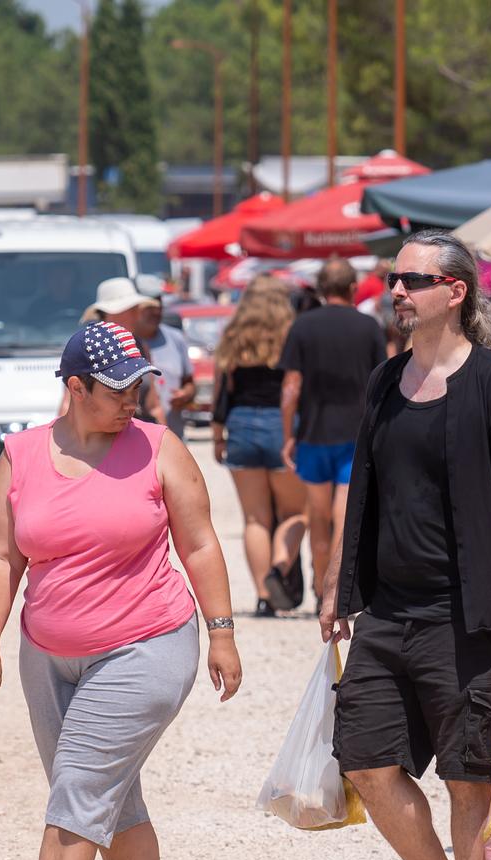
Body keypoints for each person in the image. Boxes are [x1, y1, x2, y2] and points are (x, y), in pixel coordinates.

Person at [0, 320, 242, 860]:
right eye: (116, 390)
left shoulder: (158, 448)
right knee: (108, 800)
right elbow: (3, 556)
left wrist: (223, 632)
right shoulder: (22, 455)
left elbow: (200, 543)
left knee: (81, 787)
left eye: (138, 386)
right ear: (75, 387)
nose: (131, 400)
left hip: (147, 644)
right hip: (47, 654)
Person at [319, 230, 491, 860]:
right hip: (387, 612)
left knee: (468, 776)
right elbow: (365, 489)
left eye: (412, 281)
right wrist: (337, 584)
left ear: (455, 292)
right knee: (366, 760)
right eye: (393, 279)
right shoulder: (387, 382)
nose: (396, 291)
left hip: (471, 615)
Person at [280, 258, 387, 607]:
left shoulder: (302, 327)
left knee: (318, 518)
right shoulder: (369, 326)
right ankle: (338, 590)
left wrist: (288, 434)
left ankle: (318, 585)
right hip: (356, 435)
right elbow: (383, 380)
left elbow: (291, 387)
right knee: (345, 517)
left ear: (322, 289)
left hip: (313, 434)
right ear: (354, 288)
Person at [211, 276, 307, 617]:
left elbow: (223, 391)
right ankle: (280, 567)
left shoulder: (234, 335)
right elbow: (298, 389)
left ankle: (264, 596)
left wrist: (217, 435)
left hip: (240, 424)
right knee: (297, 513)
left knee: (255, 518)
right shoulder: (292, 335)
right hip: (281, 425)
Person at [65, 278, 166, 425]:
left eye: (137, 309)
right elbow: (69, 402)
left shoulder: (139, 346)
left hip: (137, 434)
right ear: (109, 313)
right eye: (130, 310)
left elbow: (154, 405)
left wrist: (163, 439)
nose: (137, 315)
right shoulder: (88, 349)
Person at [137, 280, 197, 440]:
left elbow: (189, 382)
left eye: (159, 305)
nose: (156, 311)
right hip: (136, 440)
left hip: (173, 436)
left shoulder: (176, 338)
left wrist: (185, 394)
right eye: (149, 307)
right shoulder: (124, 341)